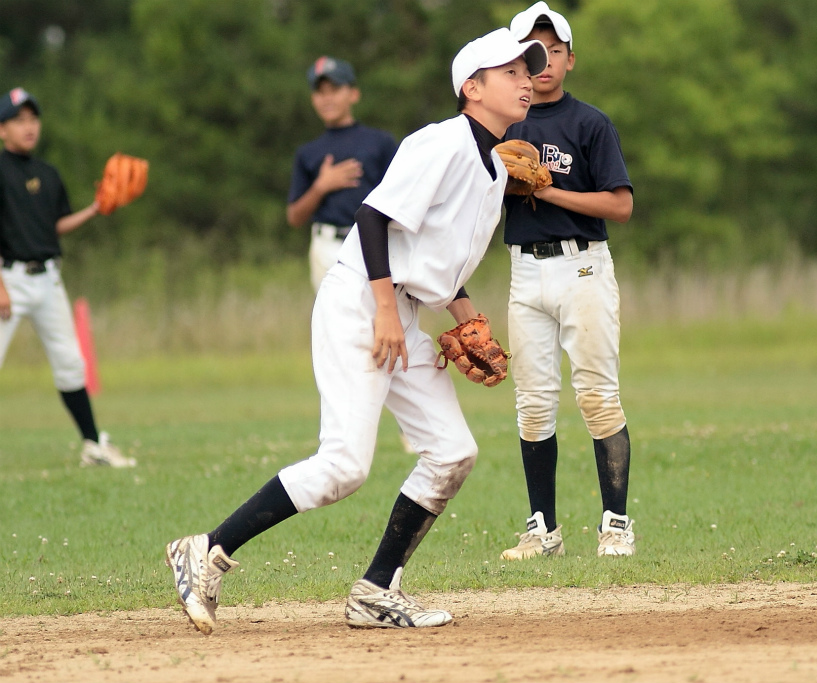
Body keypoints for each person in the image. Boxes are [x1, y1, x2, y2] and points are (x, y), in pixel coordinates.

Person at [165, 28, 547, 634]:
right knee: (344, 464)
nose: (526, 79)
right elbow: (372, 217)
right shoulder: (441, 143)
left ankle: (376, 590)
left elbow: (435, 263)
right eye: (510, 72)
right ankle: (204, 548)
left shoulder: (496, 172)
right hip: (362, 304)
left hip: (403, 309)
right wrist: (386, 312)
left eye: (529, 71)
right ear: (471, 88)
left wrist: (467, 317)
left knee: (452, 452)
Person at [499, 2, 636, 560]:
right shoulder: (505, 127)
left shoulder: (590, 123)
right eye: (532, 53)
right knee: (532, 404)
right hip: (525, 269)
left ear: (570, 59)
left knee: (597, 396)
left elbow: (620, 205)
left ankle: (616, 524)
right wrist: (509, 184)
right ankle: (542, 530)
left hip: (583, 266)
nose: (543, 62)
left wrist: (545, 188)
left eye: (553, 51)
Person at [0, 87, 135, 468]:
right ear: (2, 130)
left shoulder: (47, 173)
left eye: (32, 119)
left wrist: (95, 208)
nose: (28, 127)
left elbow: (54, 225)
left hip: (47, 280)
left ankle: (93, 445)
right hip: (8, 277)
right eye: (17, 120)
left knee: (71, 363)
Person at [286, 56, 399, 292]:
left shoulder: (379, 143)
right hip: (327, 247)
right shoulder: (308, 153)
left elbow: (401, 197)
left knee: (380, 318)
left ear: (353, 94)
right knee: (336, 324)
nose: (327, 98)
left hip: (374, 243)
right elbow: (294, 217)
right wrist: (321, 186)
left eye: (335, 89)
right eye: (320, 92)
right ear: (312, 98)